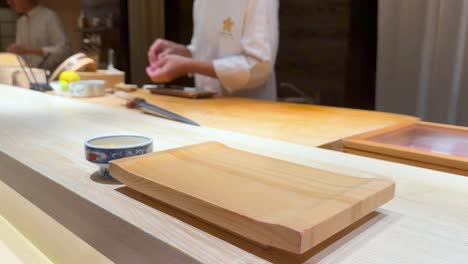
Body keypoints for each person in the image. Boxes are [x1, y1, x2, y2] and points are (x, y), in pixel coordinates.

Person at [147, 0, 279, 101]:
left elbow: (259, 66)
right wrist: (182, 53)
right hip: (206, 109)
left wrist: (188, 65)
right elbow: (205, 50)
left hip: (250, 115)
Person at [6, 0, 71, 70]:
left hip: (49, 73)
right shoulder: (21, 22)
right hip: (27, 74)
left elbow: (64, 50)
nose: (9, 2)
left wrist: (28, 50)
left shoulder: (49, 17)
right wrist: (15, 51)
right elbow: (21, 53)